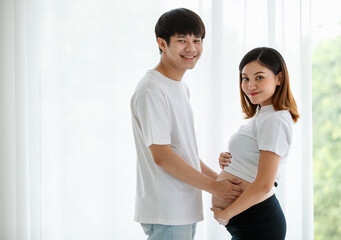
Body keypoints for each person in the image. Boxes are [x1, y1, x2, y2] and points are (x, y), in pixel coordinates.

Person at [130, 8, 243, 240]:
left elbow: (183, 152)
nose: (191, 48)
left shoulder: (179, 87)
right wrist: (214, 187)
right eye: (182, 40)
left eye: (197, 40)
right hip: (168, 212)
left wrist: (220, 181)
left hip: (182, 210)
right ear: (162, 43)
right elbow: (162, 156)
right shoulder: (152, 90)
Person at [211, 47, 299, 240]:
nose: (250, 85)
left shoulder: (275, 119)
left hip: (259, 223)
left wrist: (227, 214)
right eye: (245, 78)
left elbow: (265, 184)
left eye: (259, 77)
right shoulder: (264, 115)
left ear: (279, 78)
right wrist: (230, 160)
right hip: (251, 221)